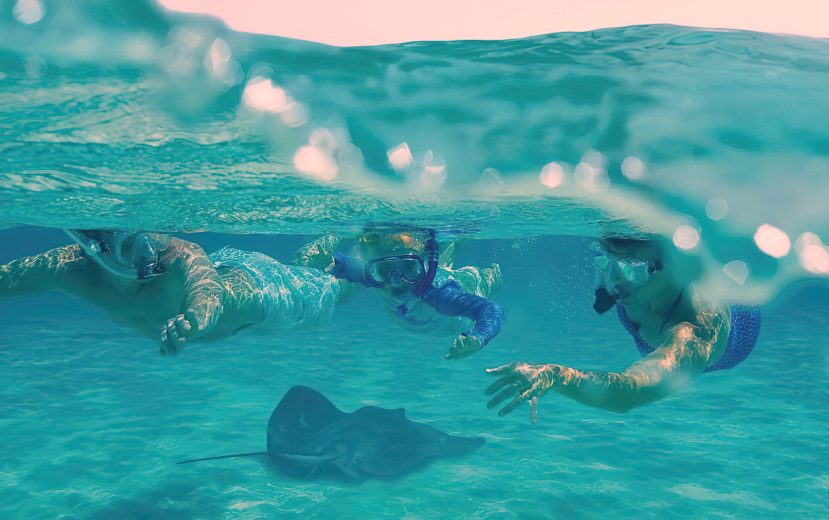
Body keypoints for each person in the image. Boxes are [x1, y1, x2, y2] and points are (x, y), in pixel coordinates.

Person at [485, 236, 761, 422]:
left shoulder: (696, 330)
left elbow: (626, 394)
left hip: (739, 326)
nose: (613, 281)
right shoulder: (629, 281)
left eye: (630, 269)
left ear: (670, 266)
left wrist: (555, 375)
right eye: (605, 263)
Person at [0, 230, 342, 355]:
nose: (151, 255)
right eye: (132, 244)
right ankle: (321, 252)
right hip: (236, 288)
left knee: (334, 288)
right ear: (95, 248)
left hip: (268, 295)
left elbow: (208, 292)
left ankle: (346, 247)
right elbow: (8, 279)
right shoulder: (68, 267)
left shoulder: (181, 255)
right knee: (307, 267)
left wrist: (192, 323)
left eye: (156, 239)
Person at [294, 229, 504, 360]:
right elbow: (349, 266)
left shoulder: (439, 294)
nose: (395, 280)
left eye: (407, 268)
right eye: (386, 270)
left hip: (456, 307)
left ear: (422, 264)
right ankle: (450, 251)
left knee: (482, 282)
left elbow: (491, 309)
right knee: (447, 259)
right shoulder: (375, 277)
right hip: (427, 298)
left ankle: (491, 274)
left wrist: (478, 338)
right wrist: (329, 261)